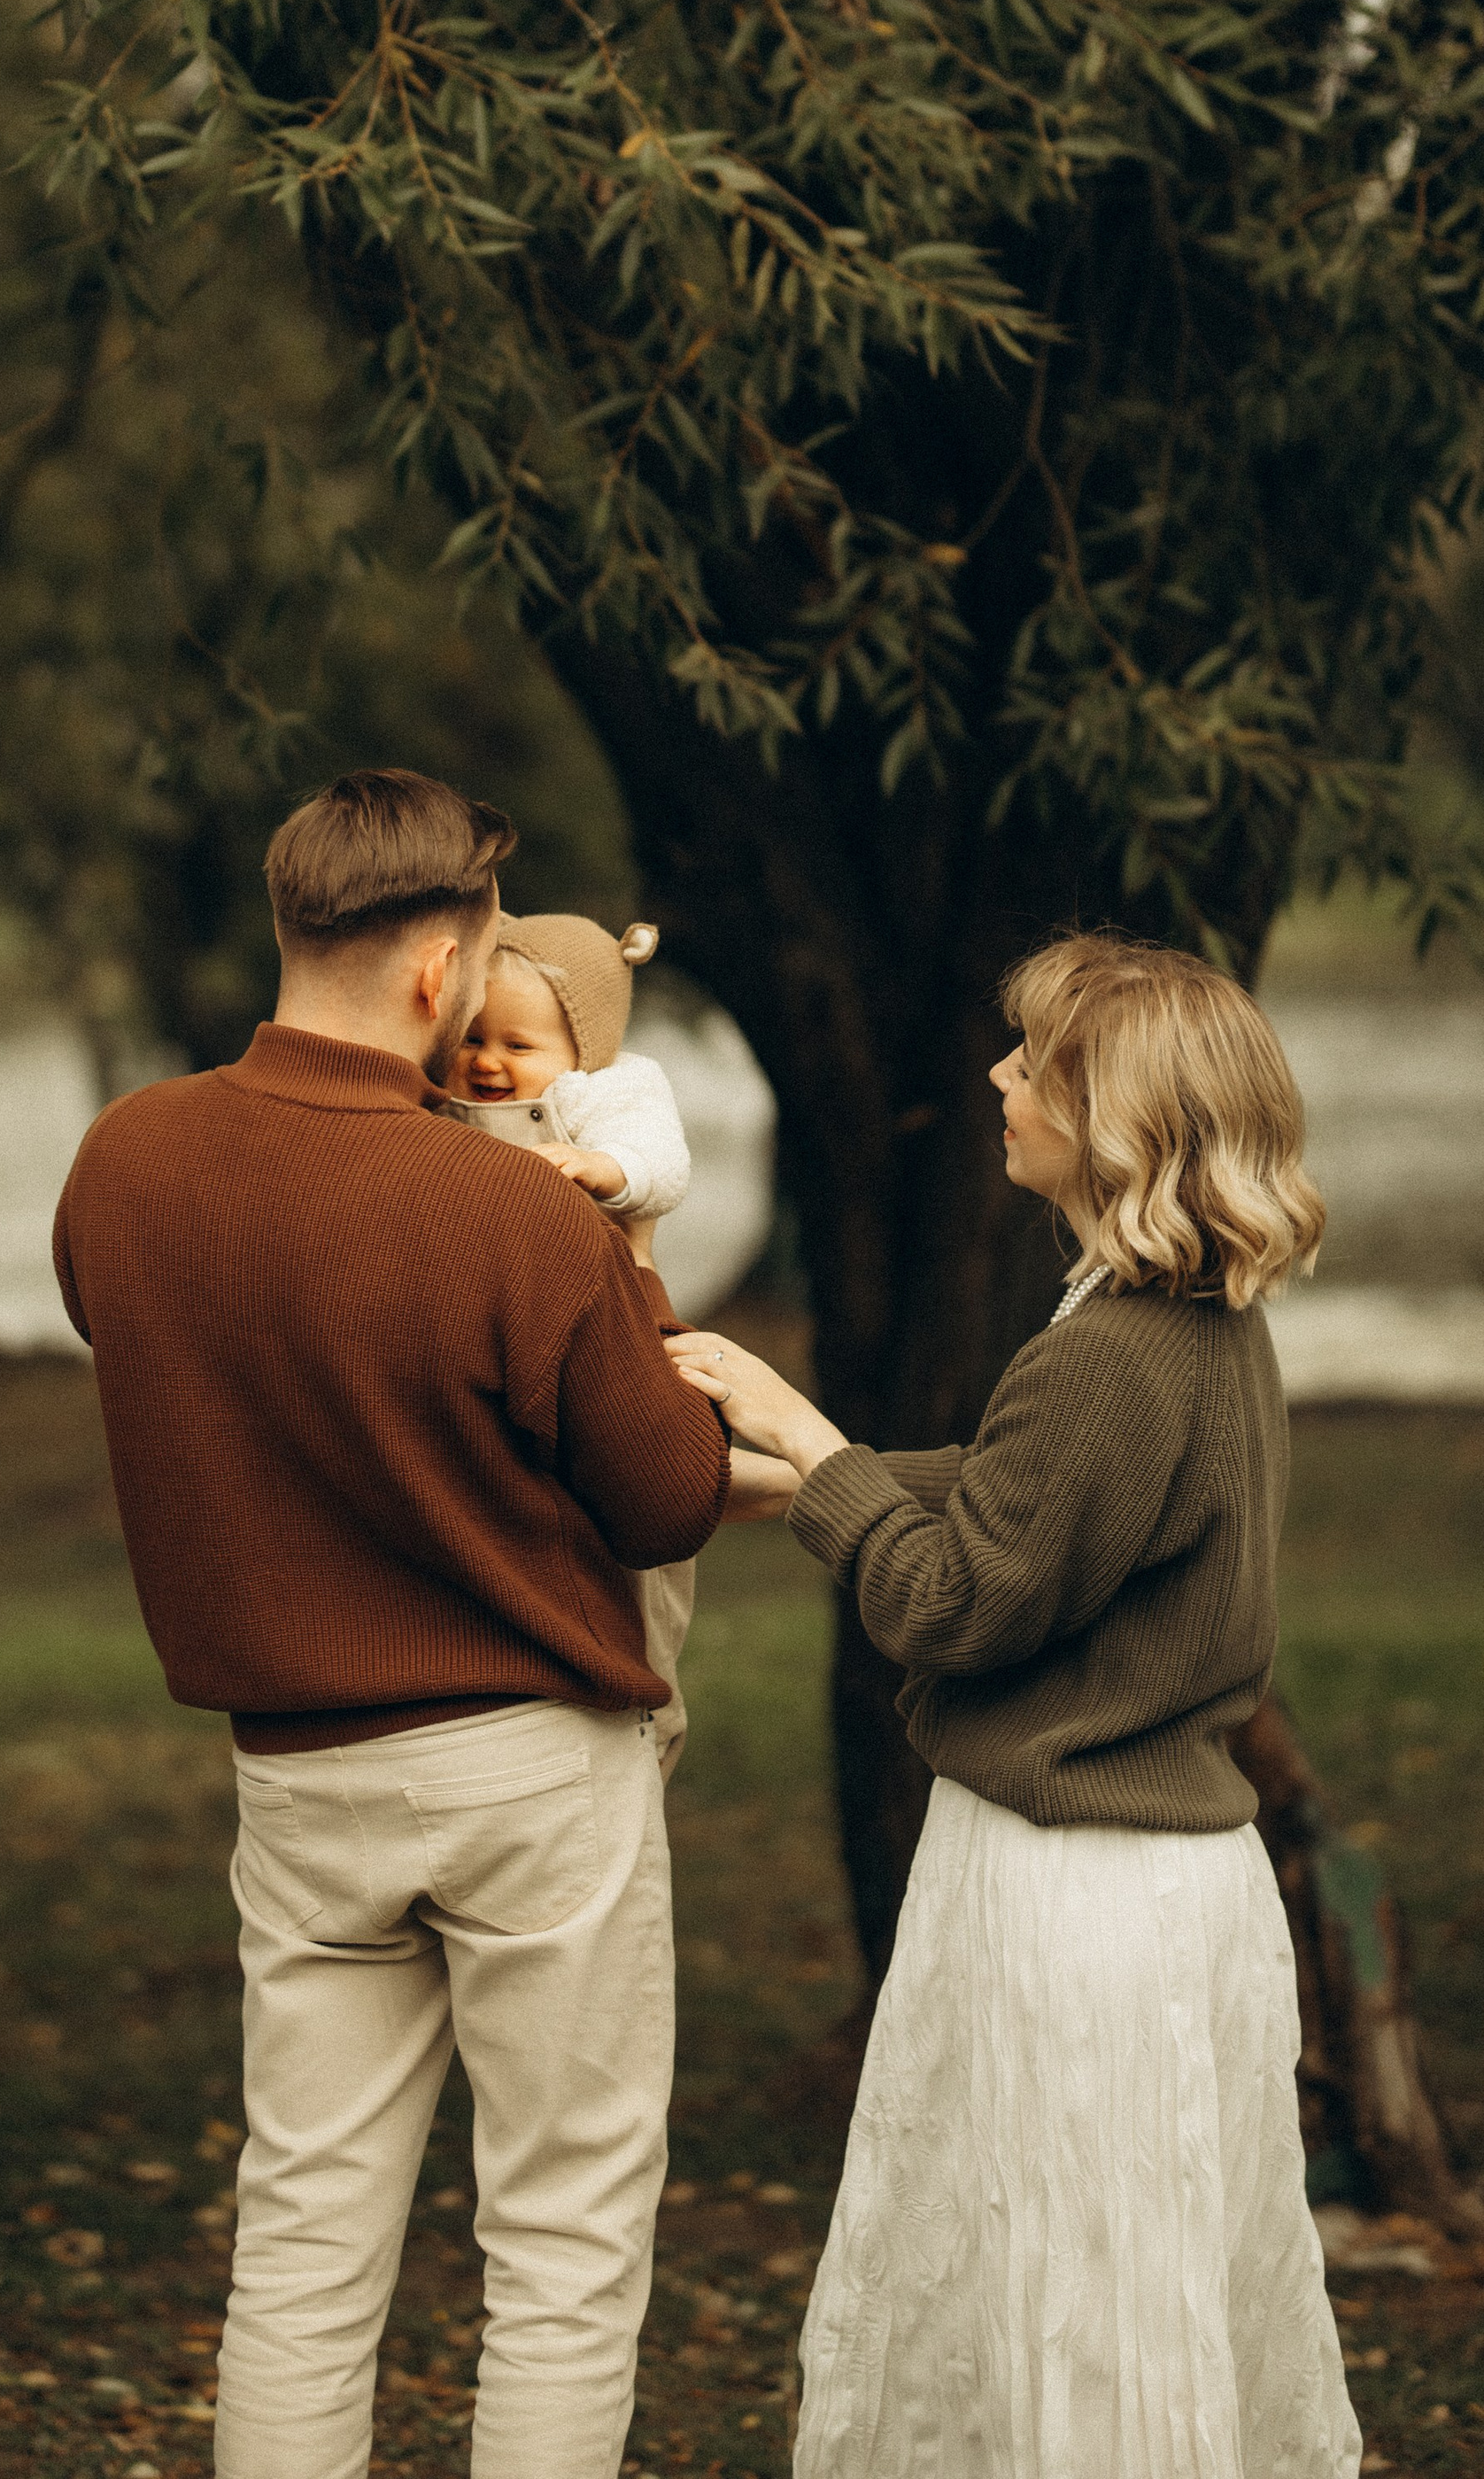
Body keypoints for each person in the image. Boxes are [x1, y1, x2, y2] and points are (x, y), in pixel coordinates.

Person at [51, 769, 775, 2479]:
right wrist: (633, 1267)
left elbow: (183, 1362)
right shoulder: (518, 1209)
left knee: (302, 2237)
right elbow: (667, 1495)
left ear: (294, 926)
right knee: (563, 2244)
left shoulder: (123, 1166)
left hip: (300, 1779)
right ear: (447, 974)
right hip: (532, 1773)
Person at [669, 927, 1362, 2479]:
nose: (994, 1074)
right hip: (1159, 1888)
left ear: (1114, 1115)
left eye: (1030, 1059)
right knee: (1109, 2287)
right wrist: (791, 1486)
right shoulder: (1188, 1327)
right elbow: (1021, 1503)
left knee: (1083, 2302)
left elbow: (956, 1599)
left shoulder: (1112, 1355)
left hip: (1083, 1909)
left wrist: (799, 1431)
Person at [444, 912, 700, 1773]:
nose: (487, 1062)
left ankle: (655, 1709)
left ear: (582, 1046)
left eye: (517, 1043)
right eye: (472, 1036)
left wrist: (609, 1171)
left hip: (615, 1335)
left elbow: (663, 1163)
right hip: (511, 1341)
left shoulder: (608, 1093)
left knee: (644, 1561)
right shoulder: (446, 1099)